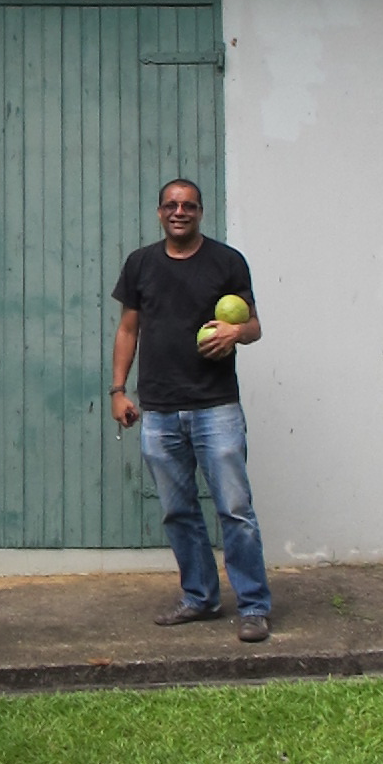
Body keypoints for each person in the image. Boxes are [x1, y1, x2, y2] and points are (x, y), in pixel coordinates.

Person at [109, 178, 272, 643]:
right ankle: (200, 598)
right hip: (159, 410)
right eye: (171, 205)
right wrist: (118, 391)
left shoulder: (227, 261)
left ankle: (254, 606)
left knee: (235, 510)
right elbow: (127, 330)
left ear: (200, 212)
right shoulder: (141, 264)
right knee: (178, 511)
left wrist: (236, 334)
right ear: (160, 212)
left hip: (215, 406)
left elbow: (255, 324)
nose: (179, 212)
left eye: (189, 206)